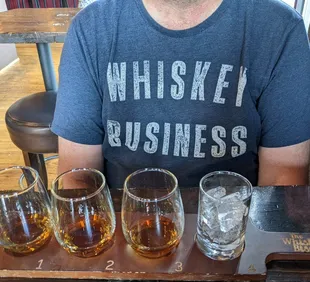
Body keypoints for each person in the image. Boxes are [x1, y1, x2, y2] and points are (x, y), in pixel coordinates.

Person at [51, 0, 310, 188]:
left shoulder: (279, 29)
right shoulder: (91, 28)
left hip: (233, 236)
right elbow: (78, 176)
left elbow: (283, 181)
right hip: (122, 232)